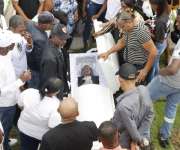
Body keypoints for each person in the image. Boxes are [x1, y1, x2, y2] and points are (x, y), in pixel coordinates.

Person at [99, 9, 157, 84]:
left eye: (122, 26)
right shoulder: (128, 29)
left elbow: (154, 52)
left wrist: (145, 70)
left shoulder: (140, 32)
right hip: (130, 64)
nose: (121, 29)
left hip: (139, 66)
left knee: (135, 89)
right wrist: (107, 53)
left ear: (129, 22)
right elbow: (122, 42)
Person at [147, 30, 180, 148]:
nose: (176, 24)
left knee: (144, 99)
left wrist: (160, 72)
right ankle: (164, 136)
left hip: (168, 80)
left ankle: (144, 135)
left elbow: (172, 69)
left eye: (179, 22)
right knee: (171, 109)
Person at [0, 30, 31, 150]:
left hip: (12, 101)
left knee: (7, 130)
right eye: (12, 43)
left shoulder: (6, 54)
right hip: (4, 106)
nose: (15, 45)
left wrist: (19, 83)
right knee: (4, 133)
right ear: (4, 47)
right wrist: (21, 81)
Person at [112, 63, 153, 149]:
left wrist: (136, 140)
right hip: (141, 135)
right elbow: (150, 114)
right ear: (136, 78)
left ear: (120, 80)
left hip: (125, 140)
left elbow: (131, 129)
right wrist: (141, 135)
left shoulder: (123, 106)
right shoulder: (144, 89)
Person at [17, 77, 64, 150]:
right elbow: (52, 126)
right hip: (40, 135)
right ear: (57, 91)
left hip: (24, 129)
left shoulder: (29, 91)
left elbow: (20, 104)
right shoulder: (56, 105)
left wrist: (29, 114)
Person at [26, 11, 54, 89]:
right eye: (51, 24)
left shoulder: (30, 23)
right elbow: (39, 60)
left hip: (27, 63)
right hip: (35, 70)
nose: (52, 26)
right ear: (44, 24)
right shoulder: (40, 39)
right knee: (34, 90)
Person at [40, 23, 70, 96]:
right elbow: (50, 84)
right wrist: (58, 97)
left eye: (65, 38)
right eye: (61, 39)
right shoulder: (50, 59)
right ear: (53, 36)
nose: (64, 41)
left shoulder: (57, 46)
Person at [148, 0, 170, 81]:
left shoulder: (161, 21)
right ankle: (158, 77)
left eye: (152, 5)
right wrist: (152, 22)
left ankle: (151, 82)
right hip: (164, 42)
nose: (151, 7)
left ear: (157, 5)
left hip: (159, 44)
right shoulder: (165, 12)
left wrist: (148, 32)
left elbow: (158, 39)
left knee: (152, 65)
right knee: (156, 62)